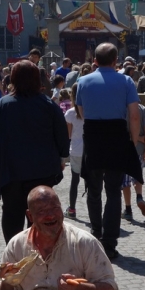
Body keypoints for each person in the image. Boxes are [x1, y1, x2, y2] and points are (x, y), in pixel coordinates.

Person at [0, 61, 69, 243]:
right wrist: (63, 157)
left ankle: (14, 252)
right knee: (40, 213)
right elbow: (62, 134)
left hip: (12, 172)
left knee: (12, 213)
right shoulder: (48, 105)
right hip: (43, 169)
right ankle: (39, 249)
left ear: (13, 79)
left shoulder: (2, 106)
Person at [75, 43, 142, 260]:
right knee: (113, 191)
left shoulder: (83, 81)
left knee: (93, 189)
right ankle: (110, 243)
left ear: (95, 60)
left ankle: (96, 233)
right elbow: (134, 114)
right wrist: (133, 140)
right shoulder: (126, 81)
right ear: (116, 61)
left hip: (93, 136)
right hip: (116, 136)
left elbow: (81, 112)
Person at [121, 103, 145, 220]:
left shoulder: (122, 108)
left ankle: (128, 209)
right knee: (138, 174)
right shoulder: (142, 108)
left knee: (125, 181)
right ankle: (139, 197)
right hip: (140, 149)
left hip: (125, 149)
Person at [64, 85, 84, 219]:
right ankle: (94, 208)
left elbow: (68, 135)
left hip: (76, 150)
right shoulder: (91, 110)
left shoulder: (70, 113)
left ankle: (72, 209)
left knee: (74, 181)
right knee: (93, 182)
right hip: (89, 150)